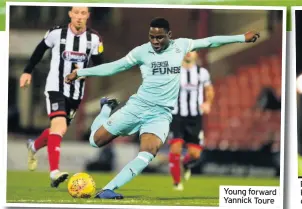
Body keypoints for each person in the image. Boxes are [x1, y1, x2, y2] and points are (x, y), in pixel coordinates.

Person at [65, 17, 259, 199]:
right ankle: (106, 109)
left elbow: (210, 42)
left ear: (169, 35)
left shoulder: (180, 46)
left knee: (148, 153)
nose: (155, 41)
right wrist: (81, 72)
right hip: (137, 107)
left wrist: (241, 38)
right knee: (94, 141)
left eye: (159, 37)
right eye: (152, 37)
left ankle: (108, 189)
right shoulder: (141, 51)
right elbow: (114, 67)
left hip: (160, 115)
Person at [20, 6, 103, 188]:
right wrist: (27, 72)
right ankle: (54, 172)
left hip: (76, 94)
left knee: (58, 131)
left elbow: (100, 66)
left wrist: (84, 72)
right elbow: (39, 50)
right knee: (59, 126)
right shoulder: (56, 33)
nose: (79, 17)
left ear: (88, 16)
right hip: (55, 88)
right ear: (70, 14)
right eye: (76, 13)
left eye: (83, 13)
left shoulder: (94, 39)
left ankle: (33, 147)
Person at [168, 51, 214, 191]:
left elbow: (209, 90)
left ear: (196, 54)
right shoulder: (173, 71)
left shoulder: (202, 72)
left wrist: (208, 103)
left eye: (192, 50)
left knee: (195, 154)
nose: (188, 53)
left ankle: (186, 164)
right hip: (177, 116)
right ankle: (177, 182)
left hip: (195, 117)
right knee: (175, 148)